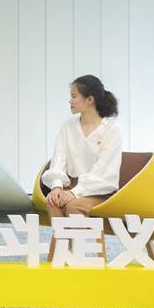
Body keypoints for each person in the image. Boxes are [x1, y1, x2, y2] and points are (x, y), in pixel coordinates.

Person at [43, 75, 122, 219]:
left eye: (74, 96)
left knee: (74, 206)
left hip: (99, 190)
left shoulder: (112, 130)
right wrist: (56, 187)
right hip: (71, 186)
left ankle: (79, 235)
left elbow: (103, 171)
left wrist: (74, 192)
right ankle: (63, 236)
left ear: (90, 100)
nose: (70, 100)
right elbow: (58, 159)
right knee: (53, 203)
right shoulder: (67, 126)